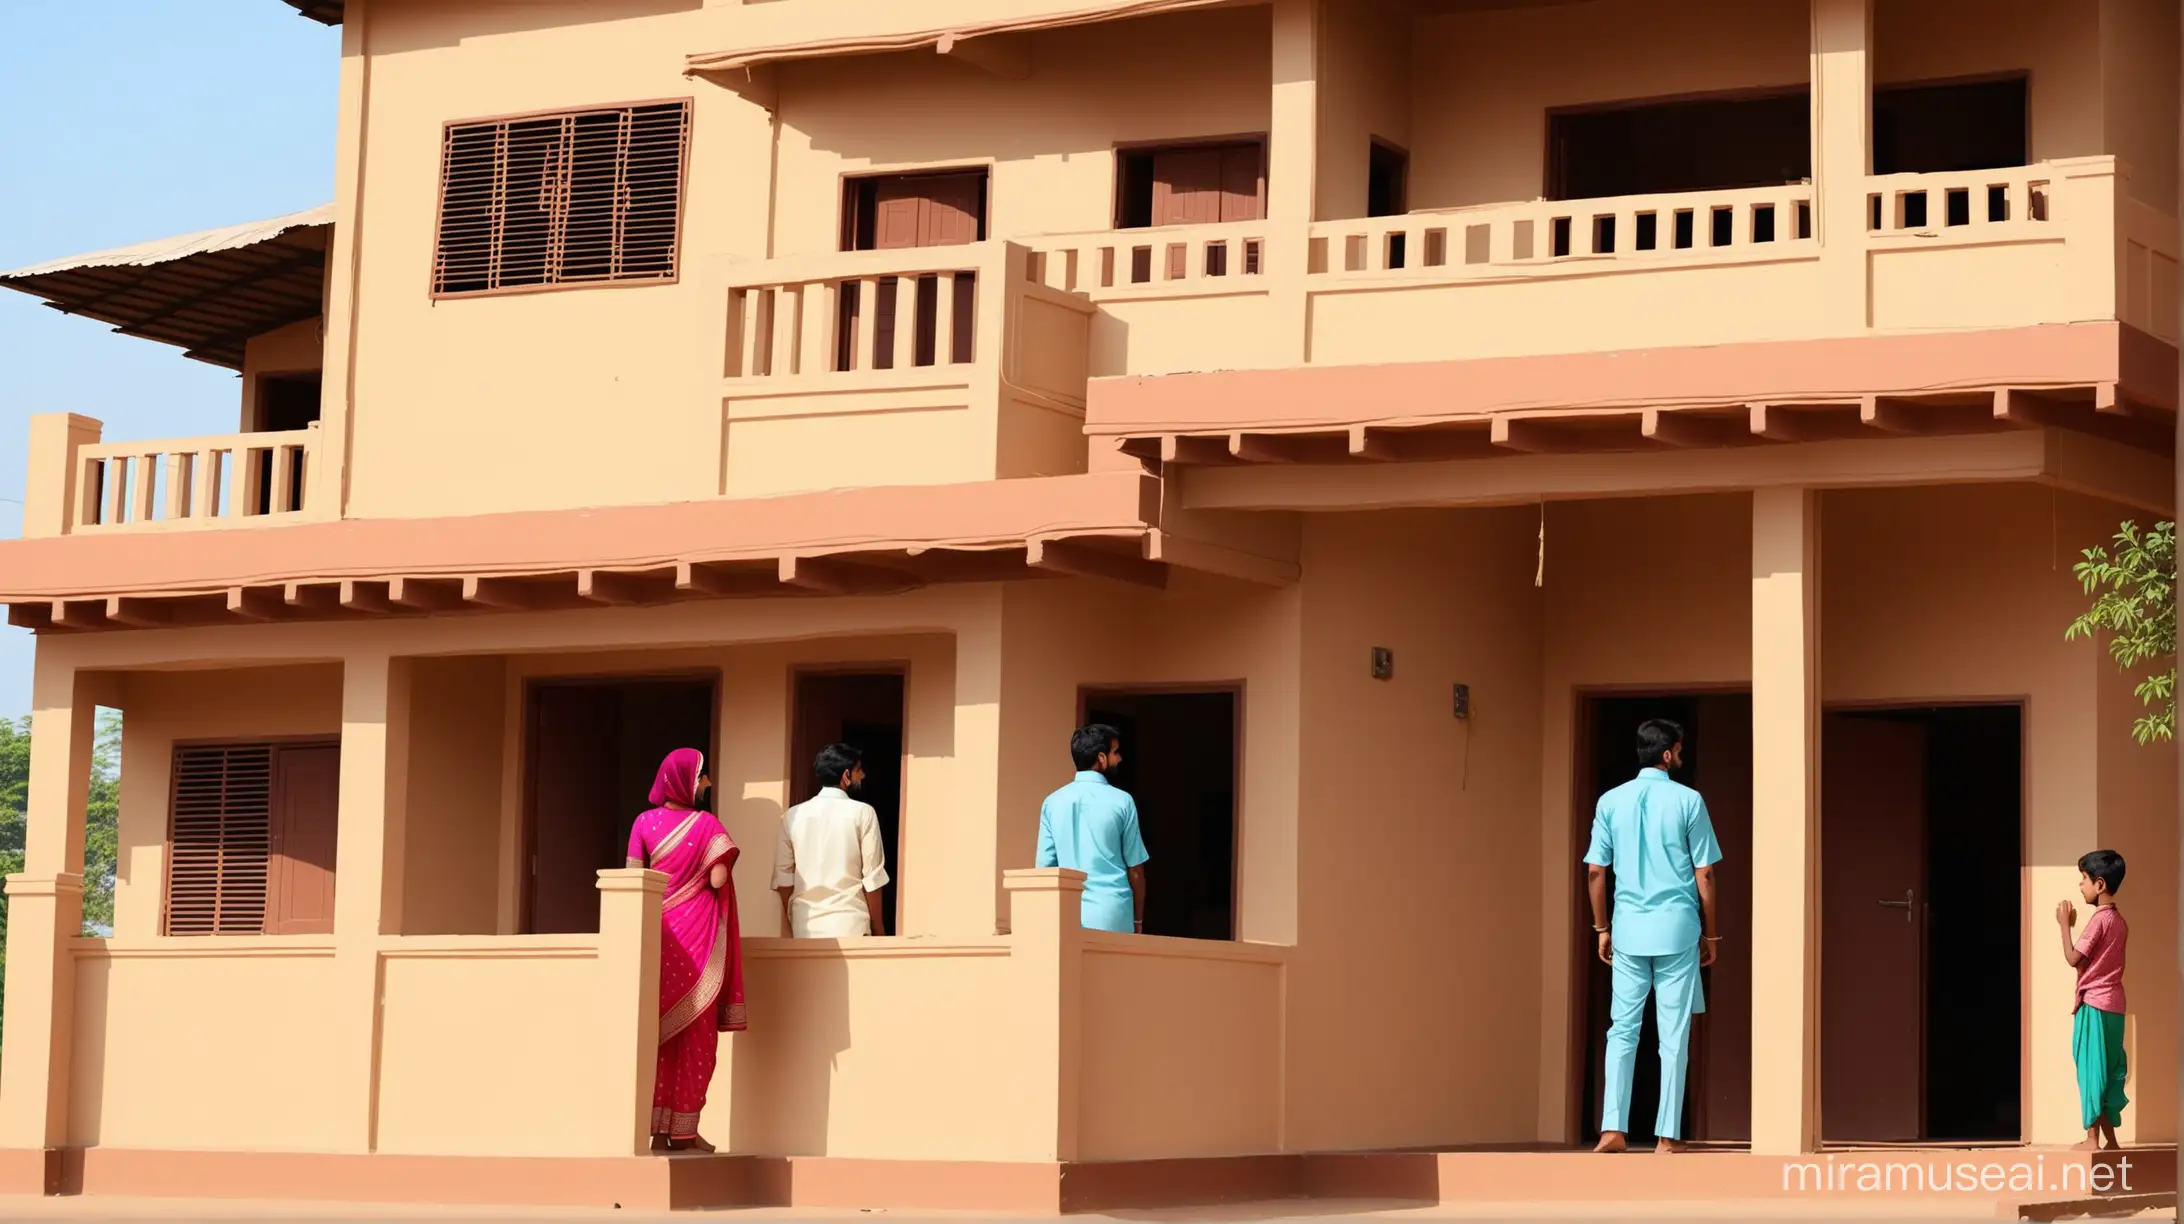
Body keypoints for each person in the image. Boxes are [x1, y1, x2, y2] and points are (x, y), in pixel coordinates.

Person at [1583, 718, 1721, 1155]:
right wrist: (1712, 935)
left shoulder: (1610, 802)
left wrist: (1602, 928)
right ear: (1667, 754)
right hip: (1678, 928)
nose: (1680, 755)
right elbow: (1706, 873)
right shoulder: (1689, 801)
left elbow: (1595, 872)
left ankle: (1612, 1129)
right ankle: (1667, 1136)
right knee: (1673, 1034)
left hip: (1627, 929)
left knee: (1621, 1030)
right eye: (1678, 750)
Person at [625, 747, 746, 1153]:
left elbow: (632, 881)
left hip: (657, 939)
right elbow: (716, 880)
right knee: (697, 1040)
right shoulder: (708, 824)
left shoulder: (643, 823)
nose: (706, 784)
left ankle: (657, 1129)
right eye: (701, 777)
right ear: (685, 782)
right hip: (697, 943)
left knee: (657, 1039)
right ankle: (685, 1131)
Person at [1035, 724, 1149, 934]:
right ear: (1101, 758)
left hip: (1067, 914)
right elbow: (1136, 871)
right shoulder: (1122, 802)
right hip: (1113, 914)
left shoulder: (1052, 802)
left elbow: (1045, 868)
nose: (1119, 759)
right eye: (1115, 752)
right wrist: (1138, 919)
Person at [773, 742, 891, 938]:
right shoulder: (863, 813)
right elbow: (873, 878)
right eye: (858, 770)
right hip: (851, 925)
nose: (862, 776)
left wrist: (793, 922)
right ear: (846, 776)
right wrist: (879, 930)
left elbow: (784, 880)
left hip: (805, 927)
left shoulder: (793, 816)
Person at [2058, 848, 2130, 1151]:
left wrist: (2064, 924)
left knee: (2091, 1069)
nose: (2080, 885)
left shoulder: (2099, 921)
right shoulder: (2120, 922)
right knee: (2110, 1069)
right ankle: (2110, 1140)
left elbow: (2074, 958)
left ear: (2099, 884)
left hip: (2095, 1004)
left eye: (2084, 879)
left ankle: (2092, 1139)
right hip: (2115, 1005)